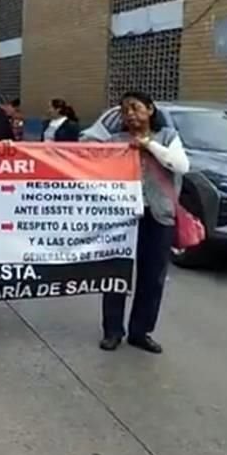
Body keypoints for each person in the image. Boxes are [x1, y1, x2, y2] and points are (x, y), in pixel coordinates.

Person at [82, 91, 189, 354]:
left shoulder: (167, 138)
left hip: (158, 216)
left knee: (152, 278)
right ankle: (113, 331)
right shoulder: (115, 141)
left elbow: (180, 165)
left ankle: (141, 332)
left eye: (135, 108)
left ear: (150, 110)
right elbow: (83, 145)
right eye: (124, 110)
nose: (130, 114)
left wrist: (148, 145)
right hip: (121, 219)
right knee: (116, 275)